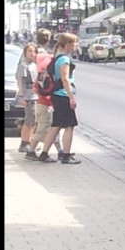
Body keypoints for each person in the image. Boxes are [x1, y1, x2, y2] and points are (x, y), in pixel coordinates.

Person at [35, 32, 81, 164]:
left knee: (56, 126)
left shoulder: (57, 58)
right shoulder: (64, 60)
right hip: (63, 95)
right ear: (68, 44)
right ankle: (66, 155)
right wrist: (71, 97)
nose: (76, 45)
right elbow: (65, 79)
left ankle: (44, 153)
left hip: (56, 95)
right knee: (69, 126)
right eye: (74, 43)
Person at [25, 28, 62, 160]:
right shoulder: (44, 56)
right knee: (44, 126)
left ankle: (61, 151)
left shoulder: (37, 53)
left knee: (51, 126)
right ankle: (31, 150)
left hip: (42, 97)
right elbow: (43, 78)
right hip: (44, 98)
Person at [15, 42, 38, 154]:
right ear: (25, 53)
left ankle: (30, 141)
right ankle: (24, 142)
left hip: (35, 95)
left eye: (34, 51)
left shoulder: (34, 65)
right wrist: (21, 96)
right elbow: (20, 83)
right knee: (29, 120)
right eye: (30, 51)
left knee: (33, 120)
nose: (32, 53)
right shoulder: (23, 66)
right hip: (27, 96)